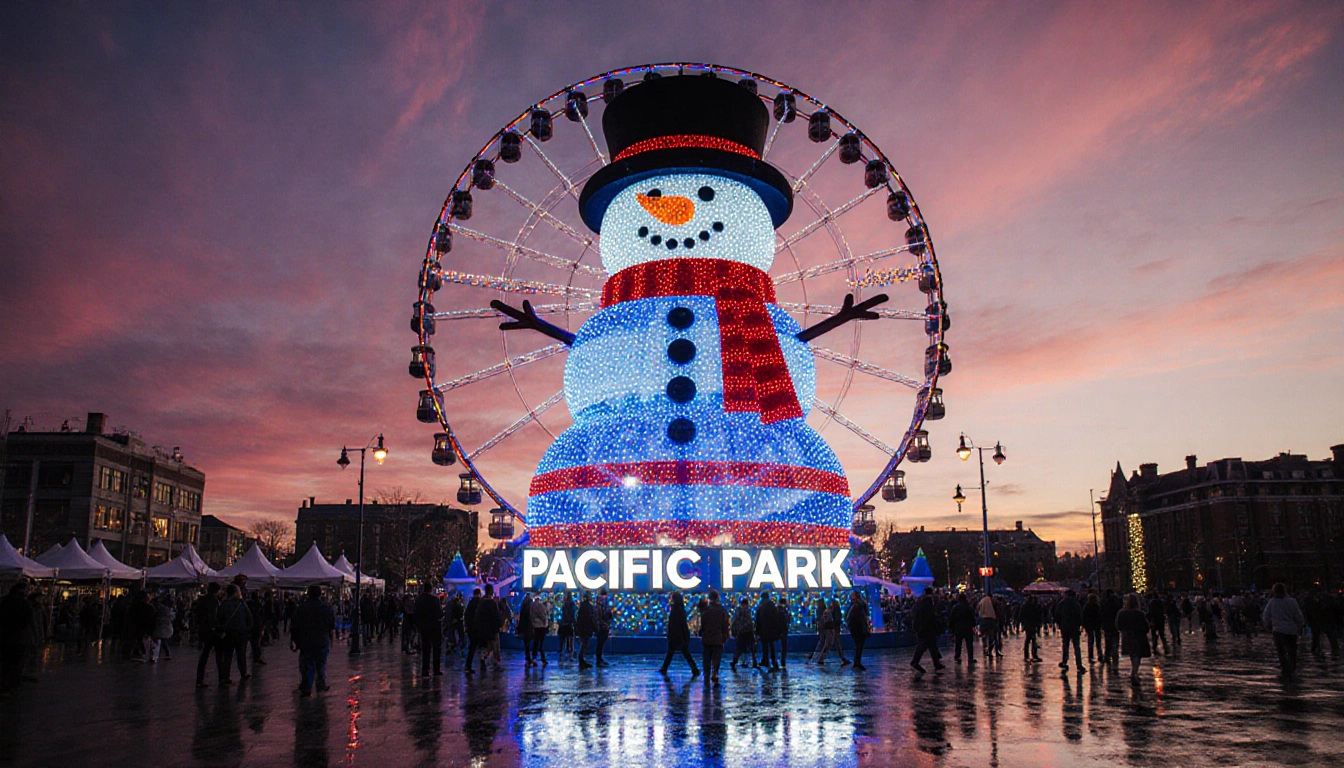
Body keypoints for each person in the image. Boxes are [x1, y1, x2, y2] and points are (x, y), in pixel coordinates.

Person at [291, 585, 335, 696]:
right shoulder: (325, 608)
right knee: (321, 664)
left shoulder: (301, 608)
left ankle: (307, 686)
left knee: (308, 665)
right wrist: (330, 636)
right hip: (322, 640)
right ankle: (320, 683)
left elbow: (295, 625)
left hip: (306, 641)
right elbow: (331, 624)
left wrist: (294, 640)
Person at [1262, 583, 1306, 677]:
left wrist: (1268, 625)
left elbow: (1265, 616)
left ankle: (1285, 669)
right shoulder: (1292, 601)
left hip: (1278, 630)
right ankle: (1292, 668)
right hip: (1291, 630)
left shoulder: (1272, 602)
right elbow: (1298, 615)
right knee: (1292, 650)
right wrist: (1301, 626)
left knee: (1281, 651)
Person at [0, 582, 37, 693]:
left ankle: (5, 683)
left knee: (5, 661)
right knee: (17, 662)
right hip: (20, 637)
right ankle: (11, 685)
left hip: (5, 636)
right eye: (27, 589)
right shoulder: (24, 603)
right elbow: (29, 621)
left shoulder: (3, 600)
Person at [215, 584, 252, 685]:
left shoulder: (223, 604)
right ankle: (243, 672)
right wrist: (248, 629)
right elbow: (249, 617)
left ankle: (225, 676)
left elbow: (219, 618)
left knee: (227, 655)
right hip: (240, 632)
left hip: (228, 633)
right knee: (241, 654)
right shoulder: (241, 604)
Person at [659, 592, 699, 676]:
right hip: (681, 636)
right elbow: (683, 624)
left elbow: (672, 624)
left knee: (671, 653)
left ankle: (664, 668)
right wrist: (686, 635)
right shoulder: (681, 610)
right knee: (685, 653)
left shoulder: (674, 610)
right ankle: (694, 668)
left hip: (674, 635)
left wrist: (669, 635)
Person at [1115, 592, 1151, 682]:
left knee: (1132, 654)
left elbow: (1118, 625)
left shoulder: (1121, 613)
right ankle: (1134, 672)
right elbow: (1146, 626)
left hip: (1127, 635)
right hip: (1138, 635)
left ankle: (1134, 671)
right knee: (1138, 654)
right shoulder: (1139, 613)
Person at [698, 590, 731, 684]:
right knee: (717, 657)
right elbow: (725, 625)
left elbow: (703, 624)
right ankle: (715, 673)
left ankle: (706, 674)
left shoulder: (705, 611)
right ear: (717, 598)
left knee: (706, 657)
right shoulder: (722, 611)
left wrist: (701, 633)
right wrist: (725, 636)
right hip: (718, 638)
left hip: (707, 638)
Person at [909, 589, 944, 673]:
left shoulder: (920, 601)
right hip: (926, 627)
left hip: (920, 626)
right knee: (924, 644)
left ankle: (936, 663)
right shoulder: (928, 601)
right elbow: (929, 616)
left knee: (931, 644)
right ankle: (915, 661)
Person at [194, 583, 222, 687]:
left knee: (204, 655)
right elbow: (213, 616)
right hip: (212, 630)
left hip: (203, 629)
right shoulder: (214, 601)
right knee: (219, 655)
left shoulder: (201, 600)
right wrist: (216, 627)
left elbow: (197, 613)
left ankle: (200, 678)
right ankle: (222, 677)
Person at [414, 583, 443, 677]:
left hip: (423, 627)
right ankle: (436, 669)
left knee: (425, 648)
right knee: (436, 648)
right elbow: (439, 613)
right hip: (434, 626)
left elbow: (415, 613)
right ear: (431, 589)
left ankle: (425, 670)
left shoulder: (419, 600)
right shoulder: (435, 600)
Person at [469, 584, 501, 671]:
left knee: (489, 646)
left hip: (484, 629)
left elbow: (478, 616)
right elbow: (496, 616)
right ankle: (494, 662)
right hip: (492, 629)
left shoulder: (482, 603)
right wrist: (498, 625)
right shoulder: (492, 603)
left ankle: (484, 658)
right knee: (494, 646)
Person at [1054, 589, 1085, 672]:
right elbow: (1079, 615)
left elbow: (1057, 615)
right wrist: (1080, 625)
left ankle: (1064, 661)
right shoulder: (1076, 604)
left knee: (1065, 645)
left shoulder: (1061, 603)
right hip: (1074, 628)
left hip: (1065, 627)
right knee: (1076, 646)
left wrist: (1059, 624)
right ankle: (1079, 664)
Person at [948, 593, 977, 665]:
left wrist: (951, 627)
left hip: (958, 628)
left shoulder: (955, 607)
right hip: (968, 628)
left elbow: (951, 618)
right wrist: (974, 626)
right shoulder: (968, 607)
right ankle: (970, 658)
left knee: (958, 643)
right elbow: (972, 617)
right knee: (969, 643)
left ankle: (957, 656)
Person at [846, 591, 871, 671]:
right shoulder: (860, 605)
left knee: (858, 646)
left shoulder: (856, 606)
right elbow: (865, 617)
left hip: (857, 628)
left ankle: (857, 662)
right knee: (859, 646)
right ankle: (857, 662)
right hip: (859, 628)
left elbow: (853, 617)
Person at [730, 596, 756, 670]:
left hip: (741, 631)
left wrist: (734, 628)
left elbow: (735, 620)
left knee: (740, 648)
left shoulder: (739, 610)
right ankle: (754, 662)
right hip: (749, 630)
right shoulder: (749, 610)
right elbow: (750, 620)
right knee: (752, 647)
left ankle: (735, 661)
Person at [148, 595, 175, 663]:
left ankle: (154, 656)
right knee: (162, 641)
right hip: (164, 628)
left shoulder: (158, 610)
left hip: (159, 628)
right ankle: (163, 654)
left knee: (157, 641)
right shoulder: (167, 610)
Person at [756, 592, 779, 670]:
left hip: (763, 630)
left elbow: (758, 619)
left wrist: (757, 630)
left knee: (765, 647)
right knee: (771, 646)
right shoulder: (772, 606)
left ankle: (765, 661)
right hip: (771, 630)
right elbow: (776, 618)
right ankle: (774, 662)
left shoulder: (761, 606)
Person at [1018, 594, 1042, 663]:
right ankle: (1034, 654)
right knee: (1033, 640)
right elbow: (1037, 615)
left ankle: (1026, 655)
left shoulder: (1024, 605)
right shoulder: (1034, 605)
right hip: (1033, 624)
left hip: (1027, 624)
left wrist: (1022, 624)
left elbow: (1021, 615)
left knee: (1028, 639)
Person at [1101, 589, 1122, 666]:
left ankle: (1107, 656)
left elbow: (1101, 613)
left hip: (1107, 625)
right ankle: (1114, 656)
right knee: (1115, 642)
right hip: (1114, 625)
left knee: (1108, 642)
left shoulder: (1104, 602)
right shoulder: (1116, 602)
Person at [576, 591, 596, 670]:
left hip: (582, 628)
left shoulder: (582, 606)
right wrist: (594, 627)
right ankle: (581, 660)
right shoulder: (589, 607)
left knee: (584, 644)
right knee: (584, 644)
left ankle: (581, 660)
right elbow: (591, 618)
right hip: (586, 628)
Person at [529, 593, 549, 666]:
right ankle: (543, 658)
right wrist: (545, 623)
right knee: (541, 643)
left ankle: (534, 657)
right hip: (541, 626)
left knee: (536, 642)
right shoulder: (541, 606)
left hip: (535, 625)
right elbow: (543, 615)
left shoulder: (532, 605)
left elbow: (531, 615)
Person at [1082, 592, 1102, 664]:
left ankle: (1091, 656)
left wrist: (1084, 625)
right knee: (1098, 641)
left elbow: (1084, 616)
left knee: (1090, 641)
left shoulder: (1086, 606)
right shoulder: (1097, 606)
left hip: (1089, 626)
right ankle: (1100, 654)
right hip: (1097, 625)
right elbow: (1100, 616)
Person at [594, 589, 613, 667]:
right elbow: (599, 616)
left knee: (601, 643)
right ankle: (598, 659)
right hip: (601, 627)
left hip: (604, 626)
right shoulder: (599, 606)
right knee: (600, 643)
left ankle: (599, 658)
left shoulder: (602, 605)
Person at [976, 593, 998, 659]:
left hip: (983, 620)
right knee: (991, 636)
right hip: (991, 620)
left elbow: (978, 609)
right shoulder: (993, 601)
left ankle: (985, 648)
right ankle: (989, 651)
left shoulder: (982, 601)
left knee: (984, 635)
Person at [518, 593, 535, 666]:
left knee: (526, 643)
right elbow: (529, 617)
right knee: (529, 641)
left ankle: (528, 656)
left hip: (524, 627)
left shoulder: (523, 606)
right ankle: (530, 657)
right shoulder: (529, 607)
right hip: (528, 627)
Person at [558, 592, 576, 661]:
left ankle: (563, 650)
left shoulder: (565, 605)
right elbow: (573, 614)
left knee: (564, 638)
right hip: (569, 624)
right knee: (570, 638)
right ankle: (570, 651)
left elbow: (563, 614)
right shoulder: (572, 605)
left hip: (564, 624)